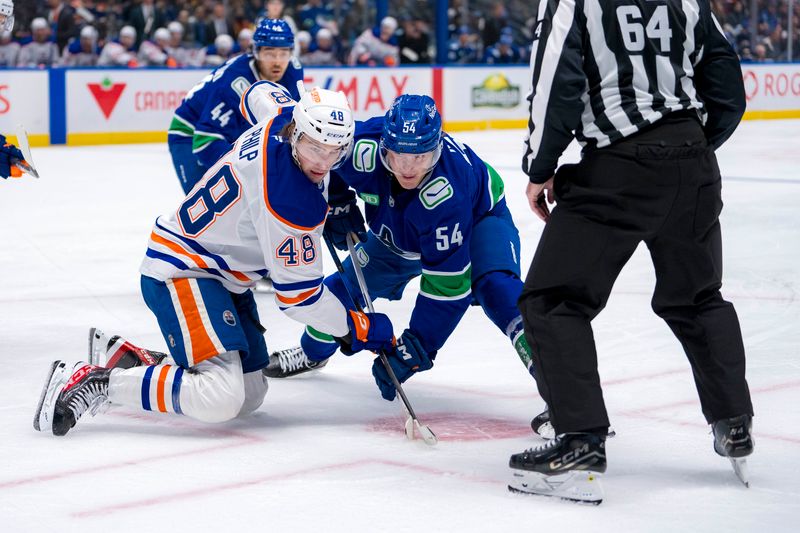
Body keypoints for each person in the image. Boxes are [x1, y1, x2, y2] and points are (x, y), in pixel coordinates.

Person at [33, 87, 397, 437]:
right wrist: (356, 326)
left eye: (334, 151)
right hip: (184, 269)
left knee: (251, 393)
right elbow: (300, 298)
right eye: (313, 147)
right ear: (296, 133)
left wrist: (331, 194)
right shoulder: (290, 202)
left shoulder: (280, 117)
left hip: (223, 275)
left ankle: (133, 361)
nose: (322, 161)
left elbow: (258, 92)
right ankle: (96, 381)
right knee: (220, 396)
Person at [509, 0, 754, 503]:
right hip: (693, 165)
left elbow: (556, 83)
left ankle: (580, 441)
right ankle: (734, 422)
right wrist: (692, 145)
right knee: (698, 297)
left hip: (619, 168)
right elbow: (727, 82)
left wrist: (540, 166)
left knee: (552, 302)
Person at [244, 91, 540, 411]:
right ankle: (313, 354)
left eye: (420, 158)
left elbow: (446, 289)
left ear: (437, 149)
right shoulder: (358, 147)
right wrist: (339, 203)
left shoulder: (447, 196)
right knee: (337, 295)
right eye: (398, 156)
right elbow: (325, 159)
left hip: (478, 222)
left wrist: (417, 346)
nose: (408, 169)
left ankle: (557, 383)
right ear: (384, 145)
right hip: (393, 241)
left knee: (498, 289)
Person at [167, 18, 303, 195]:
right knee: (207, 208)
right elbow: (205, 140)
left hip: (234, 129)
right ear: (255, 51)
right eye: (269, 53)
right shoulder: (234, 82)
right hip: (190, 133)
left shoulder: (293, 69)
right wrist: (250, 174)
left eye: (284, 53)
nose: (277, 62)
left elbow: (291, 121)